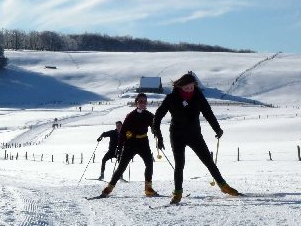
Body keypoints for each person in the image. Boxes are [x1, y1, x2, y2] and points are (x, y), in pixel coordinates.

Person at [153, 72, 239, 204]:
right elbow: (158, 116)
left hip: (194, 134)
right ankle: (177, 193)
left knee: (208, 161)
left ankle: (224, 186)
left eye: (191, 87)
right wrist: (158, 135)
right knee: (179, 164)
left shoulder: (198, 96)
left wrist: (217, 128)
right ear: (180, 86)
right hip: (177, 135)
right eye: (186, 88)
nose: (189, 90)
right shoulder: (171, 98)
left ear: (194, 85)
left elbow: (208, 112)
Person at [99, 93, 159, 198]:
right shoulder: (130, 115)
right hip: (130, 144)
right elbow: (123, 132)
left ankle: (148, 189)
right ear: (136, 102)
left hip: (144, 143)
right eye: (140, 101)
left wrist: (157, 133)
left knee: (149, 164)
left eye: (145, 101)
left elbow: (154, 126)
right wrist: (119, 146)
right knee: (121, 168)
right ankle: (108, 189)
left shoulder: (149, 115)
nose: (143, 103)